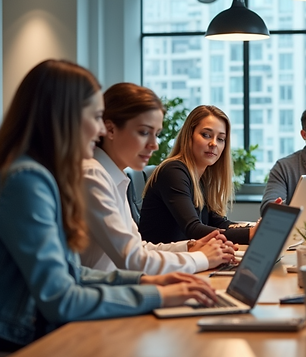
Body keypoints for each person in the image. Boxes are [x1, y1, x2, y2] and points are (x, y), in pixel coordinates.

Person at [0, 60, 217, 353]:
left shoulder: (41, 175)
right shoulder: (25, 182)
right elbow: (61, 298)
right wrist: (157, 296)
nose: (101, 128)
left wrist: (148, 280)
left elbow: (71, 271)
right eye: (97, 116)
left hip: (16, 331)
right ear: (64, 117)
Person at [80, 83, 235, 274]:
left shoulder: (114, 178)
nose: (154, 145)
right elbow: (132, 260)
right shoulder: (93, 175)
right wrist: (202, 258)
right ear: (110, 130)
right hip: (105, 293)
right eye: (145, 132)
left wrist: (189, 247)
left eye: (157, 134)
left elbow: (140, 248)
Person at [139, 105, 253, 245]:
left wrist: (255, 228)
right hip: (162, 263)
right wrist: (251, 234)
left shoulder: (202, 177)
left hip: (187, 260)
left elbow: (219, 223)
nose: (213, 144)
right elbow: (193, 229)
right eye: (206, 135)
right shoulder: (173, 171)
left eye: (220, 139)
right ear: (189, 136)